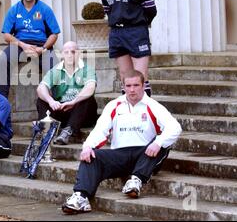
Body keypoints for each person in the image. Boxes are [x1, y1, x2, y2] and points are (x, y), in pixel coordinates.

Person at [61, 70, 182, 214]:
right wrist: (87, 146)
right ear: (123, 87)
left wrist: (158, 142)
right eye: (128, 85)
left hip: (144, 155)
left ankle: (136, 180)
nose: (132, 89)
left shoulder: (152, 105)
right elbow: (100, 130)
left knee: (163, 143)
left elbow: (175, 127)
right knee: (91, 156)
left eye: (136, 85)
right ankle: (81, 197)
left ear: (143, 86)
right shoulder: (114, 105)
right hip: (120, 155)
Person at [101, 0, 157, 96]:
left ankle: (144, 112)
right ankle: (127, 112)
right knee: (125, 76)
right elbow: (109, 11)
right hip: (117, 34)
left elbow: (151, 10)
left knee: (140, 75)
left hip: (136, 32)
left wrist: (139, 23)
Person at [0, 0, 61, 98]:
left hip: (42, 46)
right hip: (20, 45)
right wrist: (23, 45)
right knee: (4, 60)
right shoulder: (14, 10)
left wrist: (43, 48)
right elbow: (6, 35)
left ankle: (60, 105)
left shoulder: (45, 9)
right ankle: (0, 104)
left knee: (55, 70)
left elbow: (54, 34)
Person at [36, 41, 98, 145]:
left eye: (73, 52)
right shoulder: (56, 70)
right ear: (62, 54)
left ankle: (67, 132)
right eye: (66, 52)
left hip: (82, 113)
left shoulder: (87, 69)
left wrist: (73, 102)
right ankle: (46, 130)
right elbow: (41, 88)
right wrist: (51, 101)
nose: (70, 55)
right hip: (62, 110)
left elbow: (90, 87)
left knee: (88, 98)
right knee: (42, 99)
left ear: (78, 53)